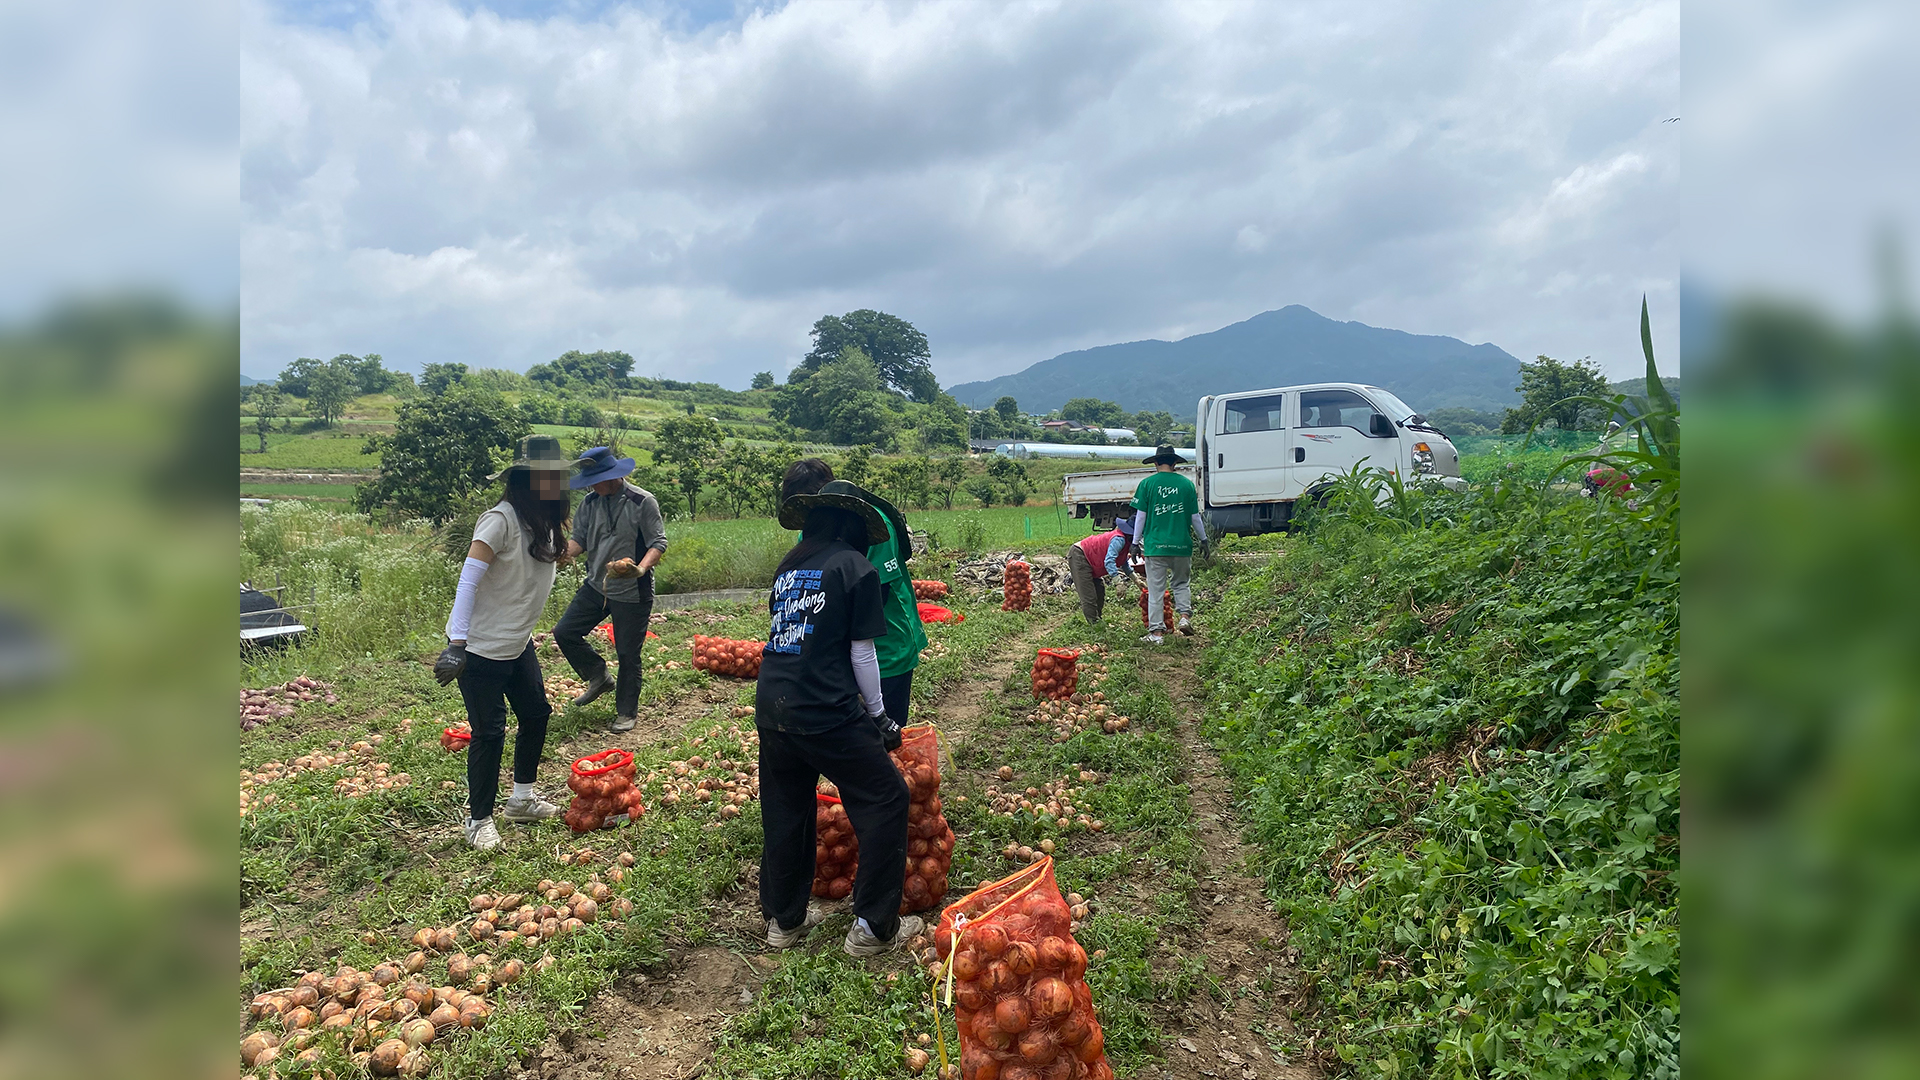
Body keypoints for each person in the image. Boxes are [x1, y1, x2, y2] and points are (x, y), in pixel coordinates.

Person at [755, 463, 922, 957]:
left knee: (786, 811)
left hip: (773, 704)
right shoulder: (856, 567)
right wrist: (879, 717)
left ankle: (783, 922)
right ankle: (874, 927)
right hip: (826, 707)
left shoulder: (791, 564)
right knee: (886, 798)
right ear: (850, 528)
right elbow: (862, 653)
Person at [433, 434, 573, 850]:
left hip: (517, 642)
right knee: (489, 731)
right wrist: (456, 643)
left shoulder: (543, 524)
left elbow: (545, 562)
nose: (556, 485)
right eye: (546, 478)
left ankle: (522, 799)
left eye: (558, 478)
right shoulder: (500, 519)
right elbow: (468, 579)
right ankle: (479, 820)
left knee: (536, 714)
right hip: (479, 648)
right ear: (525, 480)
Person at [552, 445, 670, 733]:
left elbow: (658, 543)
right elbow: (579, 540)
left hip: (633, 591)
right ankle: (598, 674)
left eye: (595, 479)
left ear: (613, 476)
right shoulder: (589, 504)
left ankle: (626, 712)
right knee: (564, 632)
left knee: (628, 654)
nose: (591, 485)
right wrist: (564, 553)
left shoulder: (643, 502)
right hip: (597, 586)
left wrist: (640, 568)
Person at [1130, 444, 1207, 644]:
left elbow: (1141, 517)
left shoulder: (1147, 485)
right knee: (1181, 583)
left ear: (1156, 463)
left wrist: (1135, 542)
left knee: (1156, 589)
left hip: (1156, 546)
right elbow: (1195, 517)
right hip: (1182, 546)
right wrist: (1204, 539)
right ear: (1175, 463)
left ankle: (1156, 634)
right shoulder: (1187, 485)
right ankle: (1184, 617)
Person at [1066, 515, 1136, 624]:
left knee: (1100, 591)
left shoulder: (1126, 543)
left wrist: (1137, 580)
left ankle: (1098, 620)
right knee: (1089, 595)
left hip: (1092, 560)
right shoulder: (1119, 540)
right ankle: (1094, 625)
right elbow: (1109, 561)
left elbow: (1123, 562)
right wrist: (1118, 583)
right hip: (1080, 556)